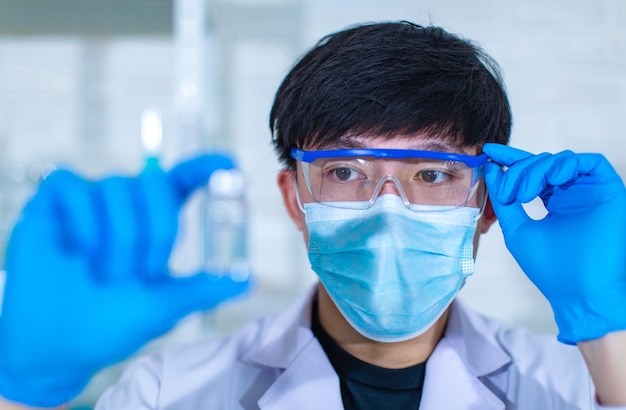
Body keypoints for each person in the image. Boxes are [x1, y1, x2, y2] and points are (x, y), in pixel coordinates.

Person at [0, 21, 625, 410]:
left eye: (432, 175)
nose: (388, 209)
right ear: (295, 197)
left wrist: (609, 330)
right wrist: (26, 392)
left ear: (485, 205)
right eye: (346, 172)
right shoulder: (169, 392)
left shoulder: (577, 386)